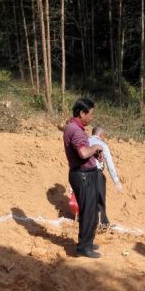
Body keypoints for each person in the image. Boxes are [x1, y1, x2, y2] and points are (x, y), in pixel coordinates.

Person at [63, 98, 104, 259]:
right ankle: (83, 247)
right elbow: (83, 153)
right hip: (83, 175)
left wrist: (94, 153)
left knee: (91, 210)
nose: (92, 117)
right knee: (88, 212)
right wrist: (95, 147)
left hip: (84, 174)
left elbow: (85, 152)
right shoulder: (75, 130)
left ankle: (87, 242)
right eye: (91, 114)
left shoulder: (74, 128)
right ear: (82, 113)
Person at [88, 126, 122, 232]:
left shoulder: (84, 141)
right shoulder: (102, 144)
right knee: (99, 199)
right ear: (101, 135)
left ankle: (86, 220)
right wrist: (116, 181)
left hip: (84, 173)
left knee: (88, 198)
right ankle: (102, 223)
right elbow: (109, 164)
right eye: (104, 136)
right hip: (96, 173)